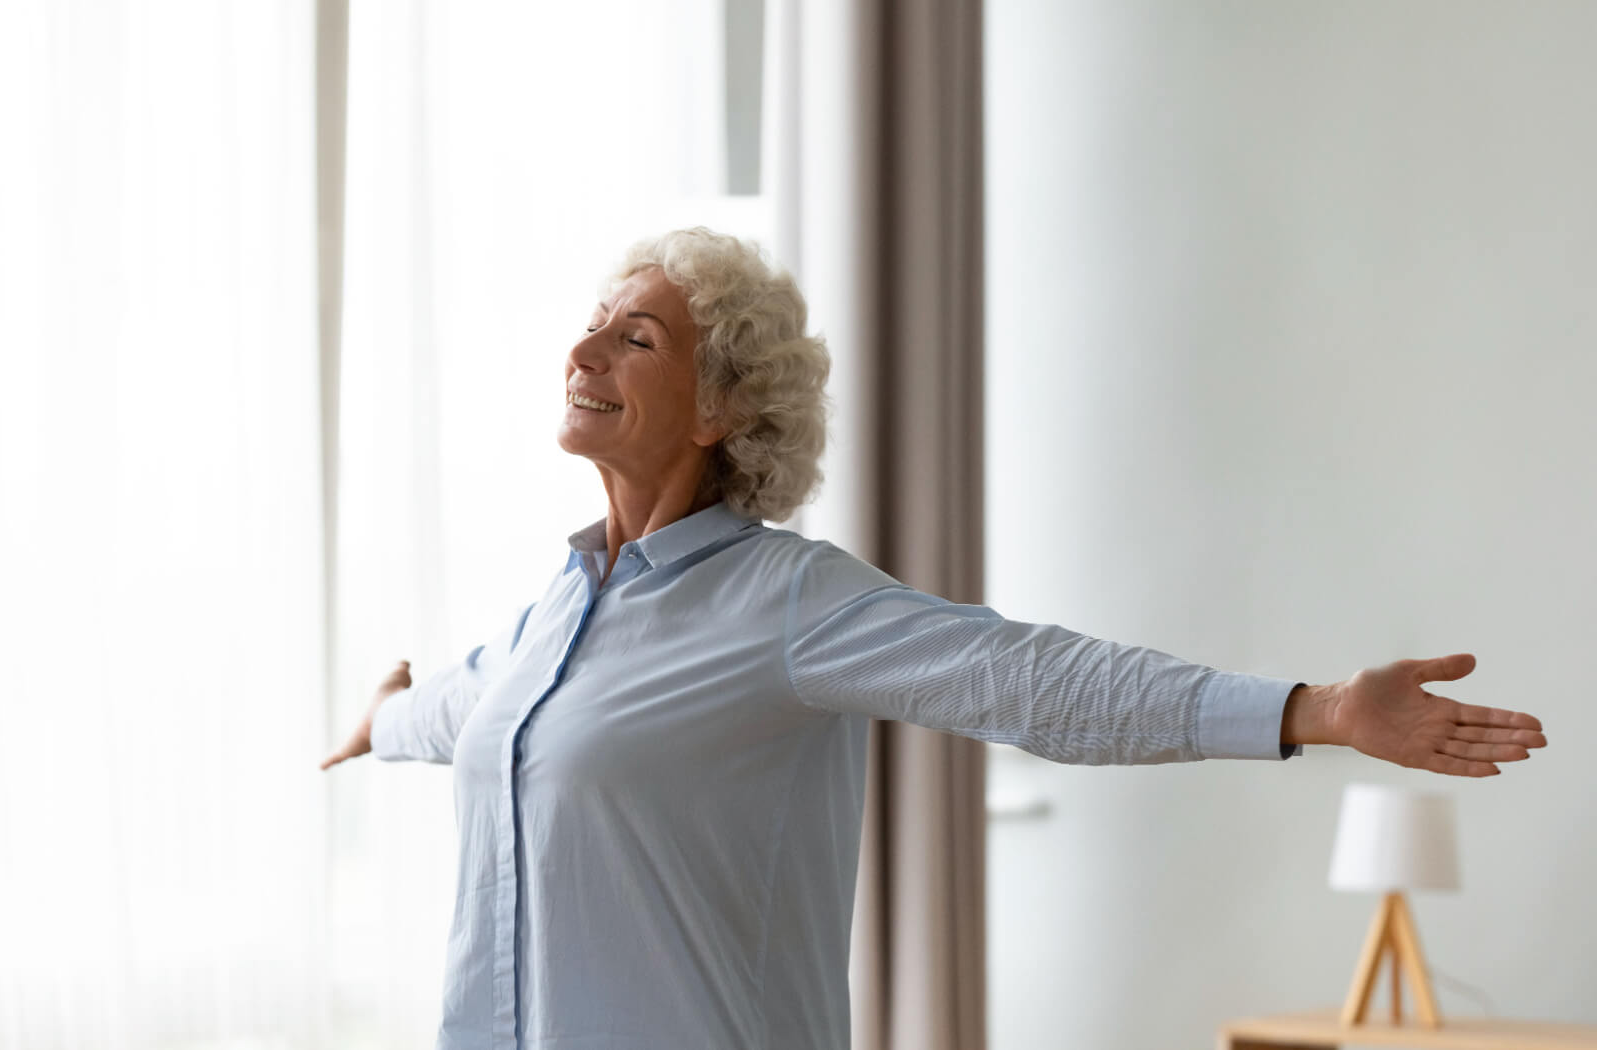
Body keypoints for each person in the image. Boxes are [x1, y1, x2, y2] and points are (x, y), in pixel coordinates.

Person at [319, 227, 1546, 1050]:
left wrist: (1315, 708)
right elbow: (469, 708)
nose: (582, 350)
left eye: (634, 337)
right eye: (592, 325)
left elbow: (1026, 680)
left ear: (720, 407)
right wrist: (385, 718)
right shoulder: (553, 614)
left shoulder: (785, 605)